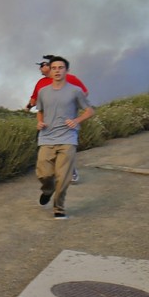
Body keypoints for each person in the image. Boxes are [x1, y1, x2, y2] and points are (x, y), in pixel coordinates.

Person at [35, 56, 94, 220]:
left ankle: (59, 208)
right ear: (50, 70)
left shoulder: (75, 91)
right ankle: (47, 190)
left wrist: (76, 121)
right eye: (54, 68)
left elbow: (89, 111)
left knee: (64, 177)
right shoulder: (43, 91)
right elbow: (39, 110)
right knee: (44, 174)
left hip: (68, 138)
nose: (57, 70)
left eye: (61, 68)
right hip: (47, 137)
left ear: (66, 71)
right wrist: (39, 122)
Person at [27, 55, 89, 182]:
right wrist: (29, 106)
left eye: (43, 65)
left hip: (65, 122)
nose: (41, 68)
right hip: (46, 122)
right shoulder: (41, 83)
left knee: (65, 149)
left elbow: (84, 93)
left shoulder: (70, 79)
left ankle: (70, 171)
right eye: (40, 67)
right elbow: (34, 99)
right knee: (46, 149)